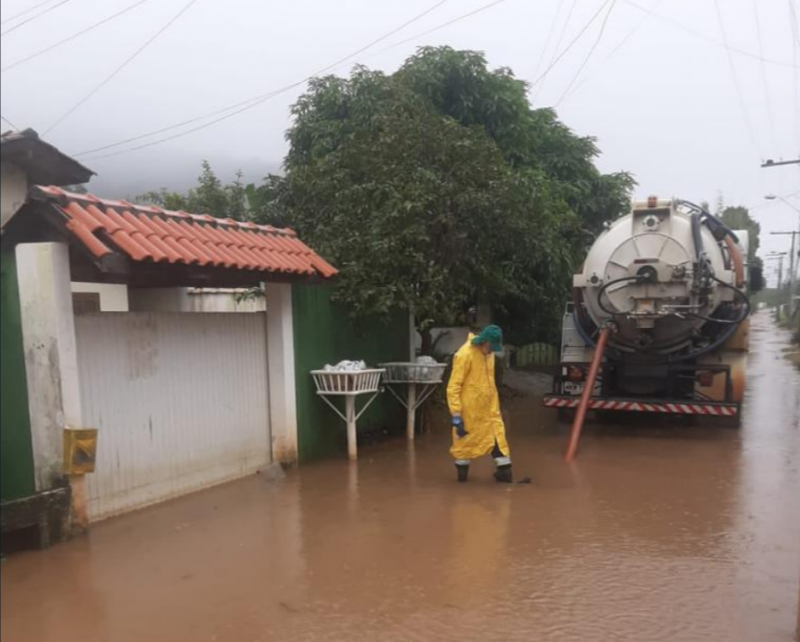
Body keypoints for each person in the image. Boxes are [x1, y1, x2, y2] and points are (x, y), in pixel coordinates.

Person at [446, 324, 512, 483]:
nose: (491, 351)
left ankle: (505, 475)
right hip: (470, 411)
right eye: (490, 347)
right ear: (484, 341)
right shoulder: (464, 355)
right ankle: (462, 482)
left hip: (490, 409)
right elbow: (454, 386)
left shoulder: (489, 355)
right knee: (463, 445)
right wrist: (456, 413)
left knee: (498, 438)